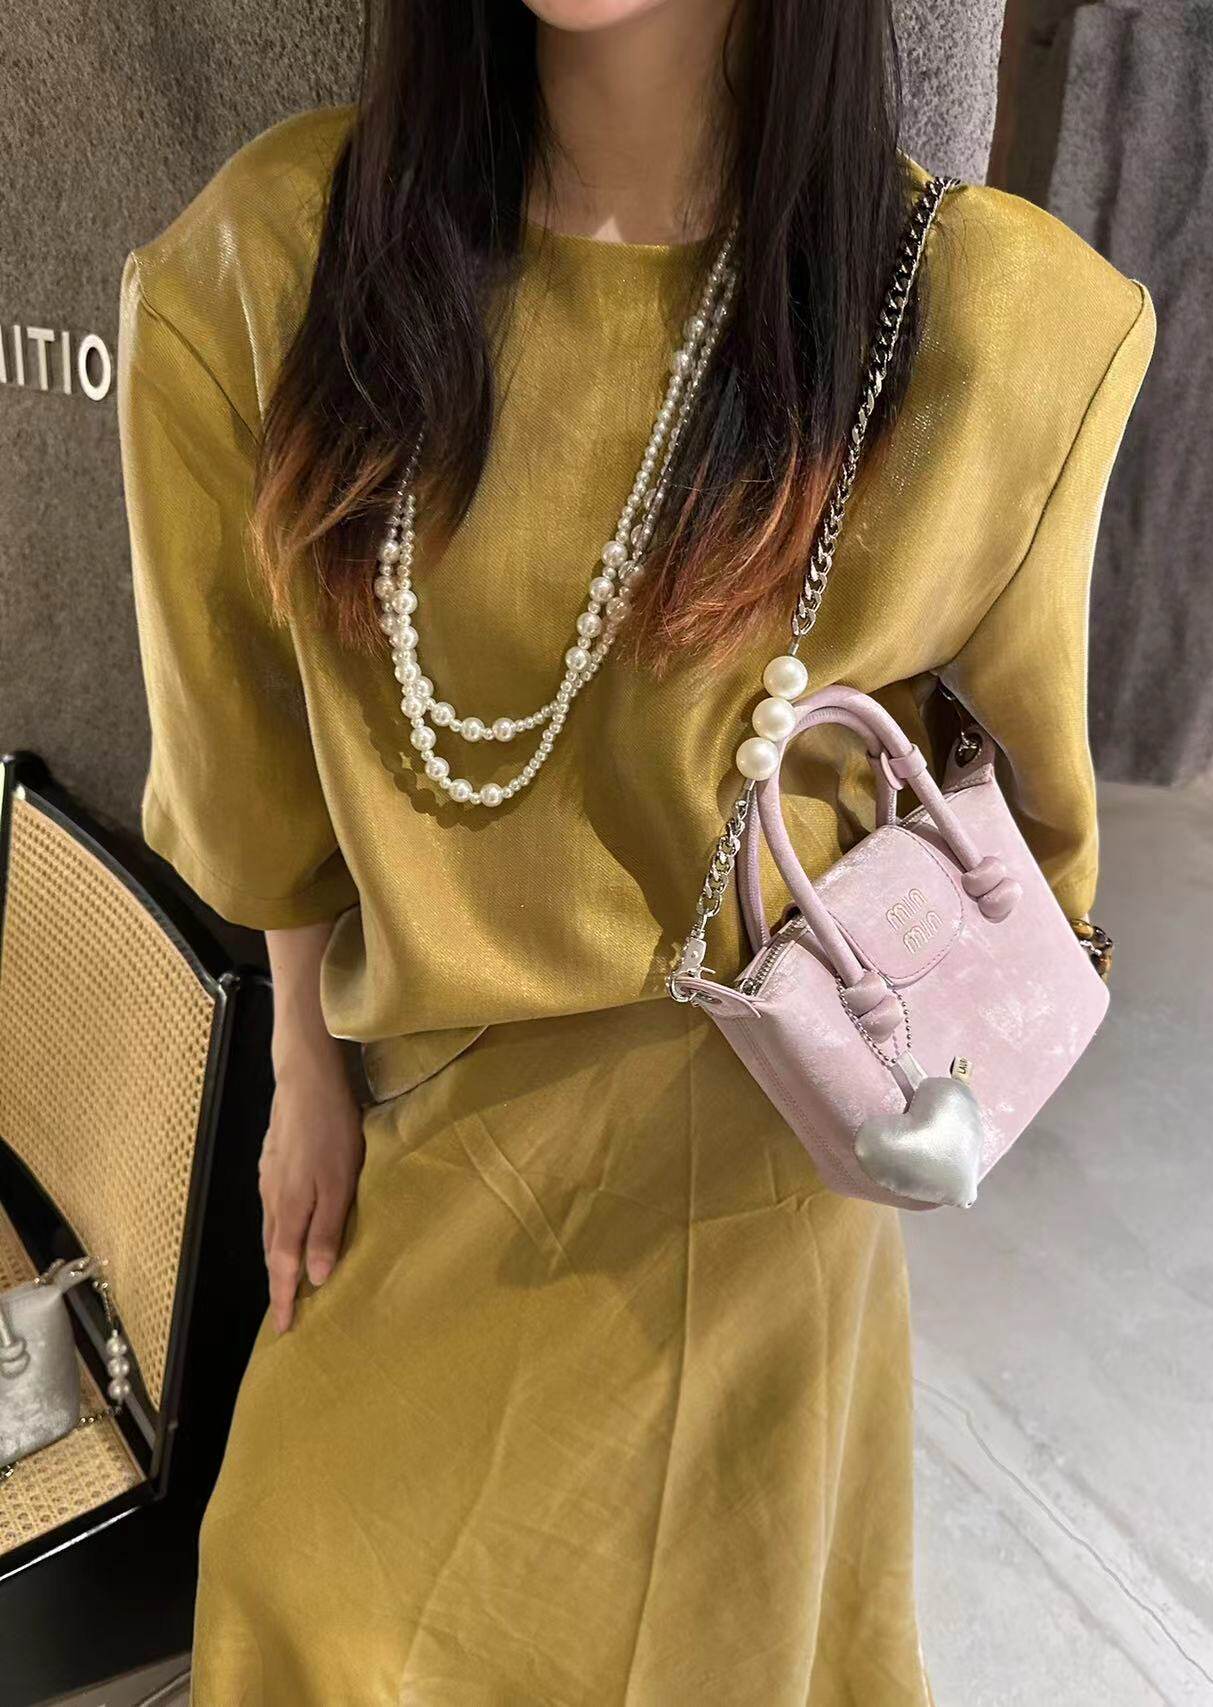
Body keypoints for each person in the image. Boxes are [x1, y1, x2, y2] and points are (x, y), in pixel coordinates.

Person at [117, 1, 1155, 1700]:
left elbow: (1035, 847)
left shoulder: (988, 329)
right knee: (303, 1601)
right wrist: (301, 1064)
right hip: (436, 1156)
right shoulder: (269, 269)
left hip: (772, 1205)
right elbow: (250, 774)